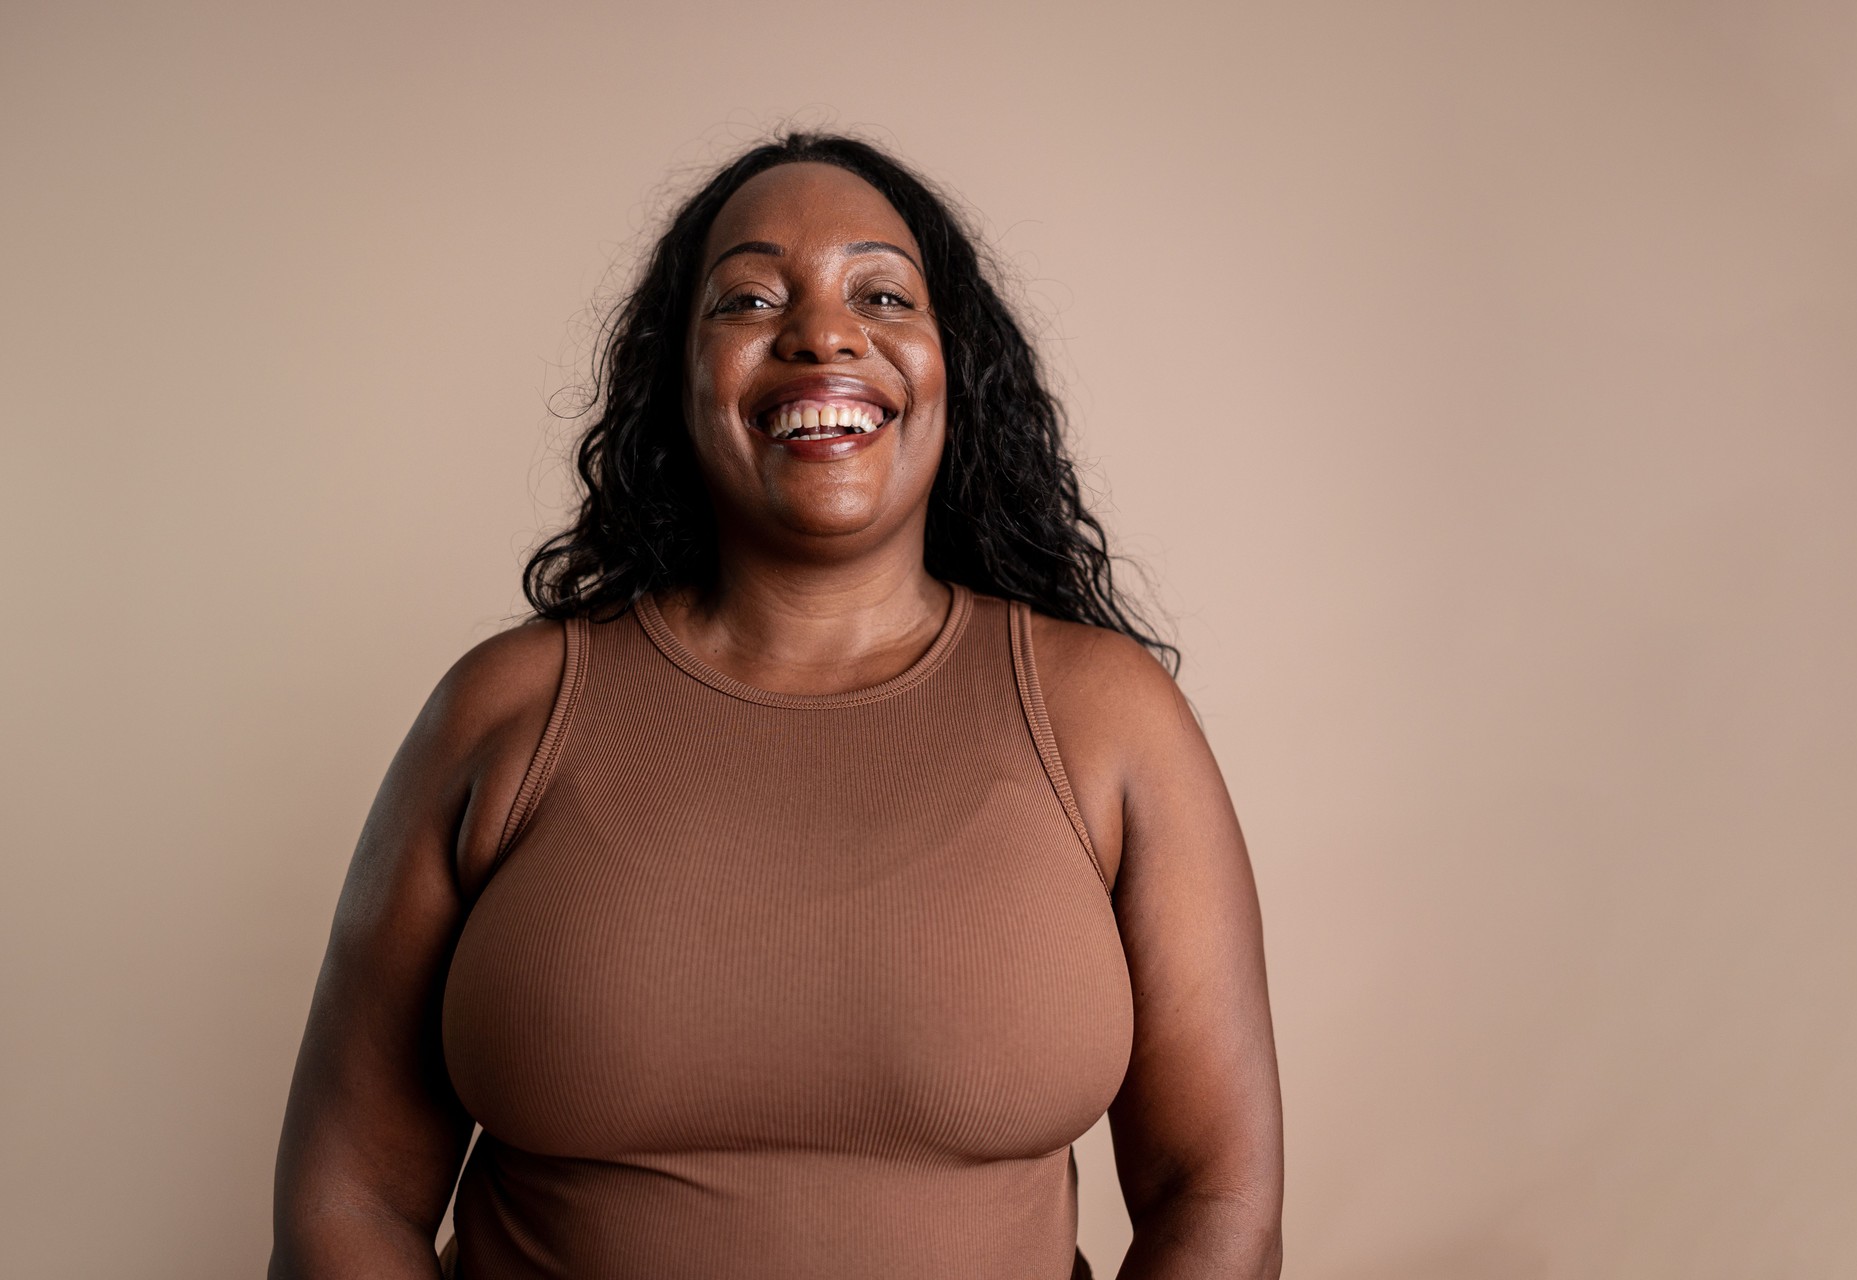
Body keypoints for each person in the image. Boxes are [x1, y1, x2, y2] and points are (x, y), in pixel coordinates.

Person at [269, 131, 1283, 1280]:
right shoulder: (503, 711)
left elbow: (1221, 1192)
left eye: (883, 293)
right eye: (749, 297)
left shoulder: (1109, 719)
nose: (822, 334)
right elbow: (343, 1197)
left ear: (956, 366)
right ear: (678, 378)